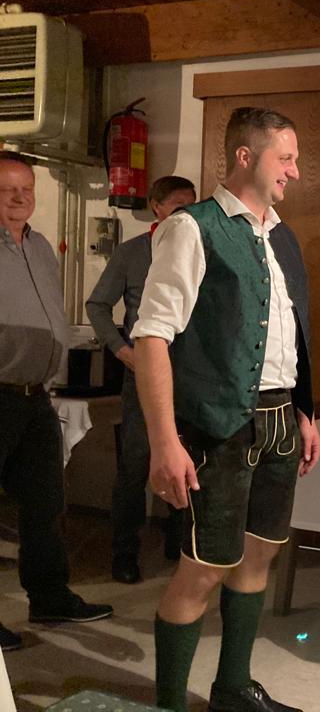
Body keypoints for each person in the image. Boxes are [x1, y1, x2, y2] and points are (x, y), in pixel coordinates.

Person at [131, 108, 320, 712]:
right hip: (219, 425)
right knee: (203, 568)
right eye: (285, 157)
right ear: (245, 156)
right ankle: (169, 703)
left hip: (280, 420)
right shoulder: (193, 228)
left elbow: (292, 333)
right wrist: (165, 441)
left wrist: (305, 412)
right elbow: (152, 337)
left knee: (259, 553)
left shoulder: (281, 234)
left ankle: (232, 687)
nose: (294, 170)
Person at [0, 152, 114, 652]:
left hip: (36, 398)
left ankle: (49, 597)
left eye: (26, 188)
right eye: (7, 189)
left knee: (46, 504)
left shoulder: (41, 245)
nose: (19, 197)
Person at [86, 175, 197, 584]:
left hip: (190, 377)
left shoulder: (198, 247)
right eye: (179, 206)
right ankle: (125, 553)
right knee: (135, 464)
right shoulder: (133, 253)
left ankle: (179, 542)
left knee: (189, 458)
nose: (187, 214)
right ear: (156, 206)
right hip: (144, 376)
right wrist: (122, 351)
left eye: (192, 206)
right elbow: (98, 305)